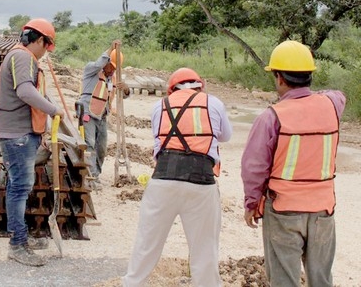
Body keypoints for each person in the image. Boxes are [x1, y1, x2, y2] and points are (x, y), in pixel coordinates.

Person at [241, 40, 345, 286]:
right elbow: (338, 94)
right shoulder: (332, 105)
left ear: (278, 78)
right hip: (323, 209)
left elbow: (254, 167)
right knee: (321, 280)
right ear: (310, 76)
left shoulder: (271, 117)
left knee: (284, 280)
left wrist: (252, 203)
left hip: (284, 210)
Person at [122, 67, 232, 286]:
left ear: (171, 89)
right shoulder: (214, 103)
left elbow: (157, 144)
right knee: (204, 250)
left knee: (146, 245)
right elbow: (225, 136)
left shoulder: (160, 106)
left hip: (163, 180)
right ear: (200, 86)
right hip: (201, 182)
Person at [0, 18, 64, 267]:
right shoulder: (22, 57)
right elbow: (24, 91)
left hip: (21, 134)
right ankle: (16, 244)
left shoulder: (22, 57)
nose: (46, 52)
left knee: (17, 187)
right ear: (40, 40)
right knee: (20, 189)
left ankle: (20, 237)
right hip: (17, 135)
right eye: (46, 46)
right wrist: (54, 110)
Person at [76, 39, 130, 189]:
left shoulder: (112, 78)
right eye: (110, 66)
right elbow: (100, 63)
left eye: (115, 68)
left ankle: (96, 175)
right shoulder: (91, 70)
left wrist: (125, 89)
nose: (112, 70)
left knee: (101, 148)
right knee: (89, 145)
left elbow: (124, 95)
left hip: (102, 116)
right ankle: (89, 177)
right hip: (88, 113)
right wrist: (110, 49)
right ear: (106, 62)